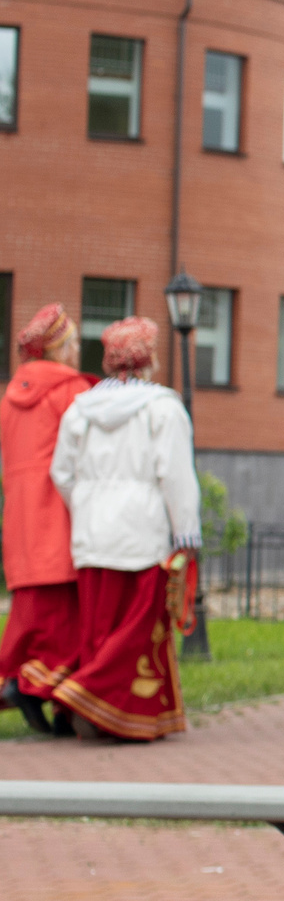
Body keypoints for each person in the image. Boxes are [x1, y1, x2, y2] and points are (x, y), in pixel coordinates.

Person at [48, 317, 200, 741]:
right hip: (142, 530)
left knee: (99, 628)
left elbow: (61, 472)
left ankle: (100, 717)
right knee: (137, 627)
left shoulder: (81, 407)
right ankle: (87, 694)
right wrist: (186, 534)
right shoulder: (164, 407)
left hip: (92, 530)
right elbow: (175, 475)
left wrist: (84, 504)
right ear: (149, 358)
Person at [1, 304, 94, 733]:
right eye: (73, 342)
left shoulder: (11, 395)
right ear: (58, 347)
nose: (77, 351)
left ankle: (24, 683)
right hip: (58, 509)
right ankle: (49, 695)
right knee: (67, 617)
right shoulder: (70, 389)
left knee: (31, 615)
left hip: (21, 514)